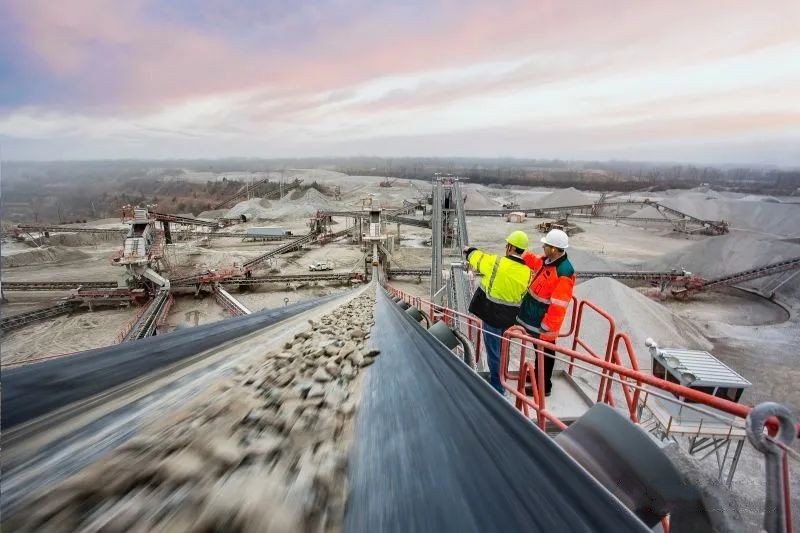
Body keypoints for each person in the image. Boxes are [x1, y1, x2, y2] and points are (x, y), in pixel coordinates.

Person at [463, 230, 532, 394]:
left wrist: (469, 251)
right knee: (504, 349)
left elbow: (478, 258)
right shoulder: (528, 272)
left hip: (491, 314)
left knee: (493, 351)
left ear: (510, 247)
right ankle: (502, 378)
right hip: (510, 318)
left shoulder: (497, 262)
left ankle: (497, 386)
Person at [516, 229, 575, 397]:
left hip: (546, 323)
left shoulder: (564, 272)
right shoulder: (550, 261)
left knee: (545, 352)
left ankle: (543, 387)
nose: (543, 246)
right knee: (539, 350)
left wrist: (547, 326)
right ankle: (537, 375)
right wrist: (522, 253)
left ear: (555, 249)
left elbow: (559, 305)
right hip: (538, 317)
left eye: (546, 245)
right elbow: (537, 263)